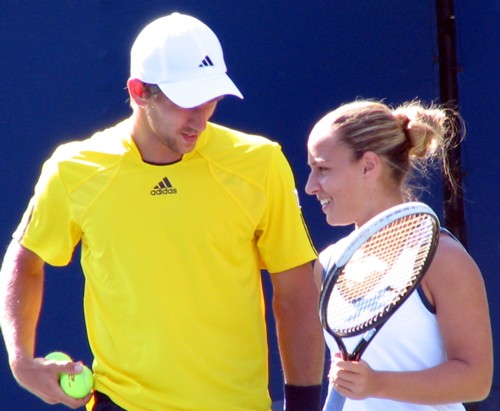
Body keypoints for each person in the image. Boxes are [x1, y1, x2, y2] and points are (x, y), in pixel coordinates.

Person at [0, 13, 325, 411]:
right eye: (186, 101)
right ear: (139, 92)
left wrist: (305, 405)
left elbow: (295, 293)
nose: (201, 117)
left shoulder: (260, 163)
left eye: (211, 99)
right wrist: (20, 359)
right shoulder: (72, 170)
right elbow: (25, 258)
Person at [305, 99, 493, 410]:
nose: (312, 186)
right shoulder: (328, 264)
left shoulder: (442, 258)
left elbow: (476, 380)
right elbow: (344, 384)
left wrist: (377, 383)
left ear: (368, 166)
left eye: (323, 169)